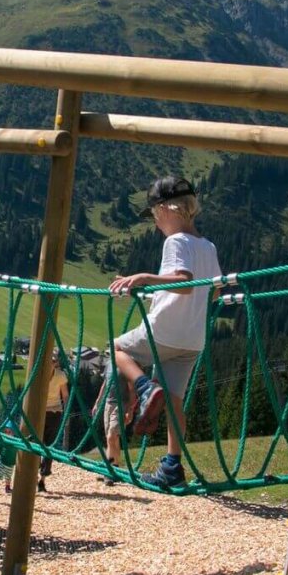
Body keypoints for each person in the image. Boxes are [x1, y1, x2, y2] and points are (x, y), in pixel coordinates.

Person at [103, 176, 221, 489]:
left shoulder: (176, 241)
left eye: (156, 214)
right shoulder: (208, 246)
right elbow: (215, 293)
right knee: (173, 402)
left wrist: (144, 278)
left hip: (164, 331)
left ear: (169, 209)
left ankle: (142, 387)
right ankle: (172, 465)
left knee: (114, 349)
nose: (156, 223)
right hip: (192, 339)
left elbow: (182, 280)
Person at [38, 353, 69, 493]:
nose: (51, 363)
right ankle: (36, 469)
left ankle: (43, 479)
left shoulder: (60, 375)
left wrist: (66, 411)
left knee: (49, 445)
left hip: (55, 411)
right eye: (49, 360)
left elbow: (65, 395)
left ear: (56, 363)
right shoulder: (39, 374)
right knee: (37, 442)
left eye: (53, 361)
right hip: (38, 412)